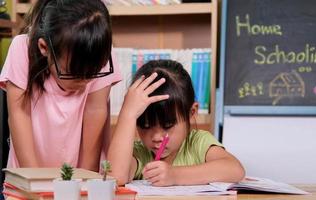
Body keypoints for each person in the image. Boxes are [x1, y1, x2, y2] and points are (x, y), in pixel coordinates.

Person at [0, 0, 121, 171]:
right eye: (74, 72)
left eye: (92, 73)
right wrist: (34, 181)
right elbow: (20, 114)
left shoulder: (101, 54)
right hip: (27, 180)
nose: (85, 81)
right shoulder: (22, 48)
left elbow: (95, 112)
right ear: (44, 47)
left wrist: (85, 182)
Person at [108, 60, 245, 186]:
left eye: (167, 125)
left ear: (191, 113)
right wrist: (128, 114)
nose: (156, 137)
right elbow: (116, 177)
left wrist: (175, 175)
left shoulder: (197, 143)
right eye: (145, 126)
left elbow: (235, 170)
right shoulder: (138, 152)